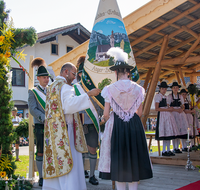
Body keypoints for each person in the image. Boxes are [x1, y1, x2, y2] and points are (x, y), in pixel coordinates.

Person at [98, 47, 153, 190]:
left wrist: (107, 119)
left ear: (116, 72)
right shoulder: (138, 89)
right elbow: (139, 112)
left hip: (117, 125)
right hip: (134, 125)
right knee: (134, 159)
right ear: (128, 72)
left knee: (120, 161)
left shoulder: (110, 89)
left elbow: (105, 113)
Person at [42, 62, 101, 190]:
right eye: (73, 74)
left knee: (56, 161)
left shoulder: (51, 87)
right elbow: (68, 107)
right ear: (65, 72)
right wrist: (88, 94)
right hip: (65, 131)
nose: (75, 77)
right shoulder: (66, 87)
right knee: (69, 161)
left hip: (53, 134)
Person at [74, 55, 101, 185]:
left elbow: (98, 105)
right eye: (80, 73)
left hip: (91, 123)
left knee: (92, 149)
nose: (81, 75)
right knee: (81, 149)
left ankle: (92, 175)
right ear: (78, 75)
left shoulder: (93, 87)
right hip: (79, 123)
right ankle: (82, 172)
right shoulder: (75, 88)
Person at [28, 58, 50, 187]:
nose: (46, 79)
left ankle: (49, 174)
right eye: (44, 77)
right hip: (40, 125)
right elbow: (32, 109)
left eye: (47, 77)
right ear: (38, 78)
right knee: (41, 151)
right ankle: (41, 177)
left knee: (50, 150)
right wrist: (44, 118)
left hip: (51, 125)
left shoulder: (51, 90)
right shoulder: (33, 91)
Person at [154, 81, 179, 156]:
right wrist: (167, 109)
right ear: (160, 89)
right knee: (164, 133)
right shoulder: (158, 96)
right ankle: (164, 150)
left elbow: (166, 106)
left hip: (167, 116)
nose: (164, 90)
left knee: (168, 133)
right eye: (163, 89)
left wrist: (169, 108)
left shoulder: (165, 97)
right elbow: (157, 108)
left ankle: (168, 149)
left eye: (165, 89)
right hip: (162, 116)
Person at [167, 81, 189, 153]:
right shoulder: (170, 96)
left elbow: (183, 105)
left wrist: (181, 109)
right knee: (175, 131)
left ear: (178, 89)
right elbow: (168, 106)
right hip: (173, 113)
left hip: (180, 114)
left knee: (181, 130)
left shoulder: (180, 96)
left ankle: (182, 146)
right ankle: (175, 147)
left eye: (176, 88)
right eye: (174, 88)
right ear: (172, 89)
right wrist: (174, 110)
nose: (175, 89)